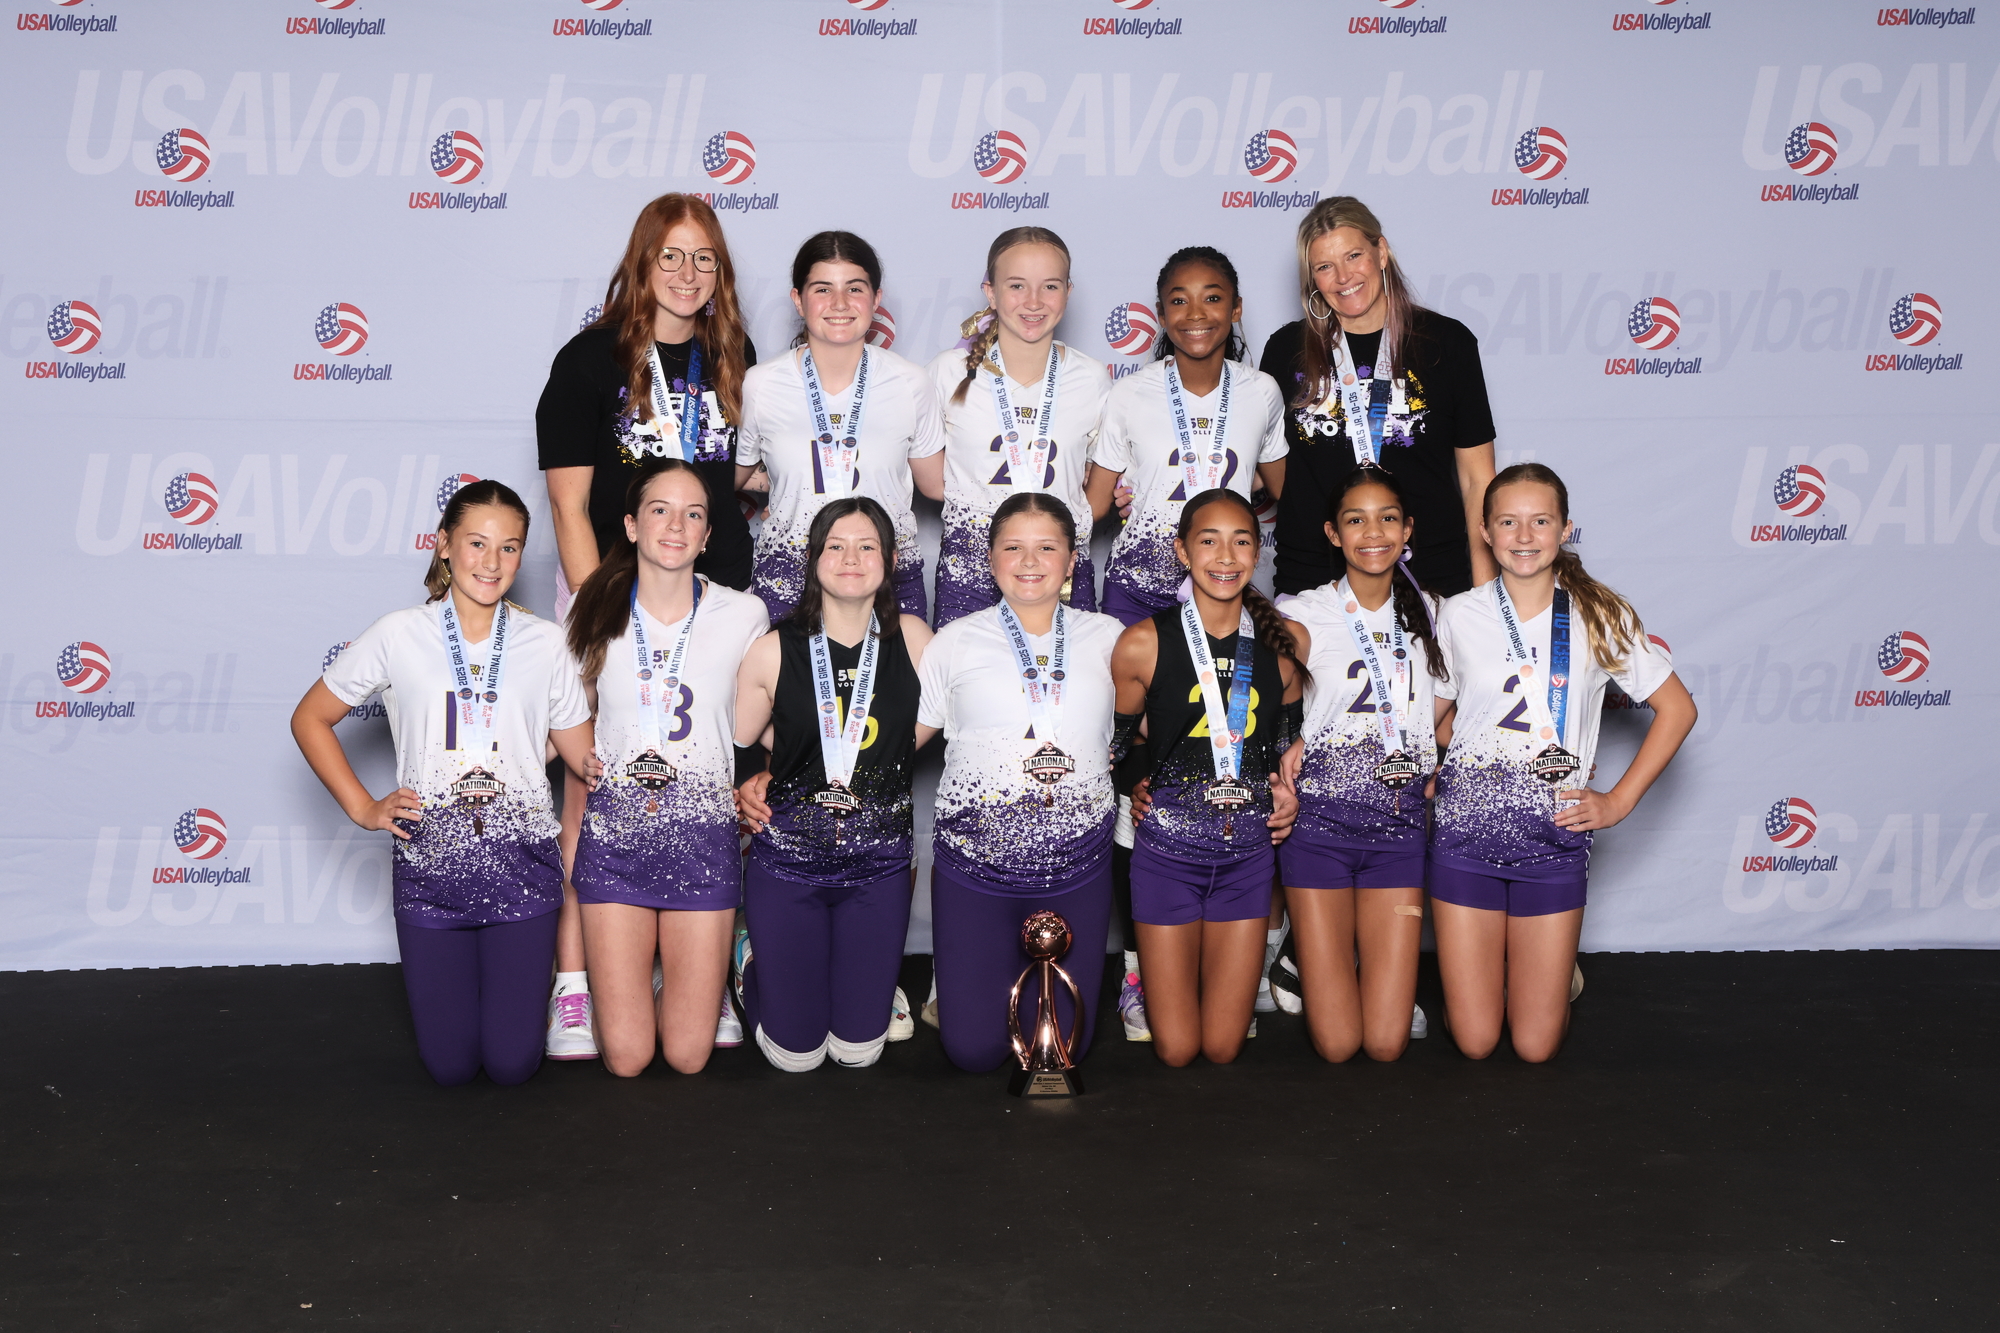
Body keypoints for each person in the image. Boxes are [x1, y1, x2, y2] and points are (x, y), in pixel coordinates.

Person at [535, 192, 759, 1060]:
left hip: (712, 596)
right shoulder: (590, 359)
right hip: (612, 599)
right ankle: (574, 987)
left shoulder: (732, 354)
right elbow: (568, 503)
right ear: (642, 262)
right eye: (671, 255)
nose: (687, 273)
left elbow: (737, 477)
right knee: (590, 788)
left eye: (704, 258)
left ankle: (709, 975)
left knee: (716, 780)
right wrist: (602, 616)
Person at [291, 480, 594, 1086]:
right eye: (477, 543)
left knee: (512, 1065)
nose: (492, 561)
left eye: (509, 547)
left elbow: (585, 759)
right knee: (450, 1068)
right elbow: (310, 718)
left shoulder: (545, 643)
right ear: (444, 545)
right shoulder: (398, 633)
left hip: (523, 870)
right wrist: (363, 807)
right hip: (430, 872)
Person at [1431, 463, 1696, 1062]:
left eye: (1541, 521)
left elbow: (1678, 709)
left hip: (1553, 837)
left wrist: (1618, 801)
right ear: (1485, 532)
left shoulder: (1599, 614)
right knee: (1475, 1041)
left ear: (1565, 528)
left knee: (1534, 1047)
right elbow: (1435, 720)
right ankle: (1491, 976)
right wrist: (1462, 765)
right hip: (1465, 836)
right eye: (1508, 522)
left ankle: (1546, 975)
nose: (1524, 536)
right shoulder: (1458, 614)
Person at [564, 458, 770, 1077]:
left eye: (693, 514)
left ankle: (700, 972)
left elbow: (764, 718)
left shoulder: (744, 615)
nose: (676, 525)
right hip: (617, 843)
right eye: (660, 510)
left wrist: (771, 771)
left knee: (687, 1055)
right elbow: (562, 717)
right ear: (631, 526)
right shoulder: (593, 606)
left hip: (702, 842)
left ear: (707, 536)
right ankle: (636, 980)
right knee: (627, 1059)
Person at [918, 492, 1122, 1073]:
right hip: (975, 867)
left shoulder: (1110, 637)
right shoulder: (954, 640)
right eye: (1013, 547)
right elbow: (897, 742)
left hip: (1077, 864)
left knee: (1062, 1049)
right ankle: (958, 986)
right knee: (973, 1052)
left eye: (1047, 548)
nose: (1029, 561)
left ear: (1072, 560)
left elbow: (1156, 729)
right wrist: (789, 775)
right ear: (990, 559)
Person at [730, 497, 935, 1071]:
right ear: (814, 558)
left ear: (889, 560)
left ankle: (849, 984)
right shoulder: (772, 649)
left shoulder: (916, 639)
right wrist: (775, 770)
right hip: (789, 864)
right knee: (795, 1057)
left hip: (879, 867)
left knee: (858, 1052)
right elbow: (741, 741)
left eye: (867, 546)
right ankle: (750, 963)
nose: (851, 558)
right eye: (836, 546)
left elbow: (927, 727)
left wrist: (849, 760)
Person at [1113, 489, 1305, 1068]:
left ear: (1258, 551)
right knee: (1176, 1051)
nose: (1225, 556)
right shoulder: (1142, 642)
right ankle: (1139, 982)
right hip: (1167, 858)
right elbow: (1116, 747)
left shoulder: (1283, 645)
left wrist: (1287, 794)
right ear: (1182, 551)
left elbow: (1286, 752)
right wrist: (1138, 782)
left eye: (1241, 541)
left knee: (1223, 1048)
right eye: (1208, 541)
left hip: (1247, 860)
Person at [1275, 468, 1445, 1063]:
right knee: (1338, 1044)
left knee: (1386, 1043)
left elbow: (1453, 707)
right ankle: (1300, 948)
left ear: (1408, 529)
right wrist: (1290, 740)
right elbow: (1253, 700)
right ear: (1333, 533)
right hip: (1318, 829)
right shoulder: (1304, 612)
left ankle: (1339, 954)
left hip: (1399, 830)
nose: (1373, 533)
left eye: (1388, 518)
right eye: (1356, 520)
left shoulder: (1436, 614)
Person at [1261, 197, 1498, 600]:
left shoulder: (1447, 343)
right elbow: (1270, 467)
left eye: (1354, 256)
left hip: (1431, 580)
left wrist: (1485, 595)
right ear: (1312, 279)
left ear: (1381, 252)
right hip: (1314, 585)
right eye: (1324, 266)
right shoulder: (1286, 350)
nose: (1343, 277)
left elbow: (1478, 480)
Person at [737, 230, 945, 622]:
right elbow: (736, 473)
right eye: (822, 289)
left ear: (876, 299)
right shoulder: (761, 384)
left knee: (899, 665)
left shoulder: (911, 382)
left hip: (887, 575)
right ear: (798, 299)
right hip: (788, 574)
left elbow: (937, 484)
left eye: (854, 288)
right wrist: (784, 486)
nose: (839, 303)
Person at [1087, 245, 1288, 628]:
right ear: (1161, 315)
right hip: (1135, 590)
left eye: (1212, 298)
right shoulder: (1129, 392)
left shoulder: (1262, 391)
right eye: (1179, 301)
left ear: (1236, 308)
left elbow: (1284, 490)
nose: (1196, 313)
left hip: (1222, 584)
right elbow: (1095, 505)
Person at [928, 226, 1108, 626]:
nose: (1033, 301)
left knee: (1066, 666)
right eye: (1016, 286)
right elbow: (931, 479)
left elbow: (1098, 486)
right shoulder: (947, 372)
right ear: (990, 293)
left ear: (1068, 292)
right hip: (970, 569)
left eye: (1050, 286)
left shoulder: (1091, 378)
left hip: (1061, 568)